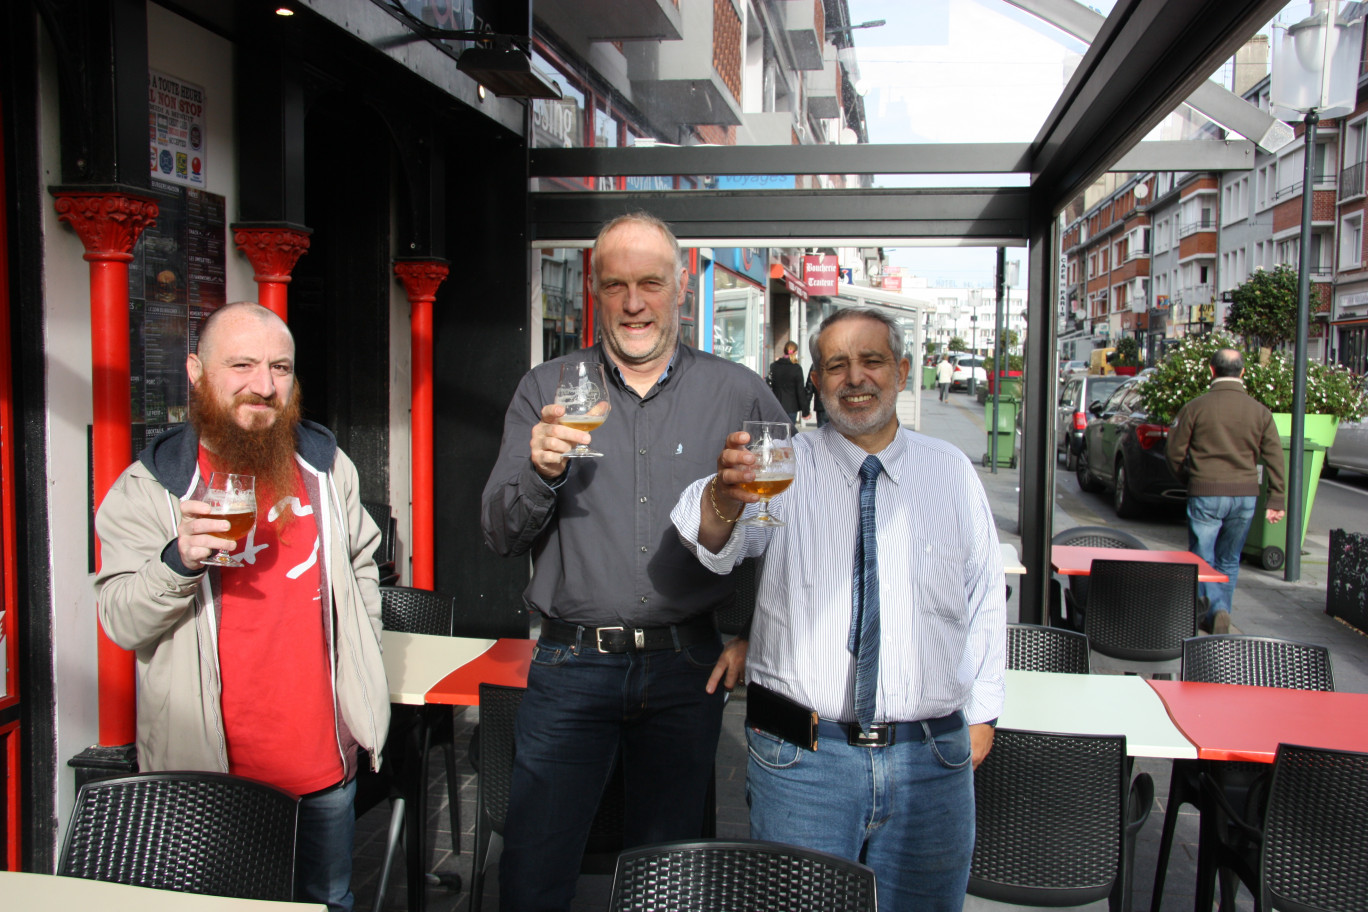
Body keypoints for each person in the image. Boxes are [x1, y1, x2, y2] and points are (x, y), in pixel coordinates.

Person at [481, 211, 789, 912]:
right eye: (615, 284)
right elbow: (500, 533)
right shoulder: (548, 390)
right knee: (533, 869)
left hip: (686, 666)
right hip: (571, 666)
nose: (633, 302)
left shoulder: (736, 391)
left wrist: (751, 631)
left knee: (671, 878)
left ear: (679, 288)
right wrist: (539, 470)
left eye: (650, 282)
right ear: (594, 291)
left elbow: (786, 520)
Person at [672, 307, 1006, 912]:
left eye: (872, 361)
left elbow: (985, 600)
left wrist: (981, 716)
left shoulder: (951, 472)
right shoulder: (783, 464)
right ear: (817, 383)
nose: (856, 378)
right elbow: (712, 545)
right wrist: (724, 494)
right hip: (803, 763)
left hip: (930, 760)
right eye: (837, 366)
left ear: (901, 371)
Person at [94, 302, 389, 912]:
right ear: (196, 372)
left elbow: (363, 564)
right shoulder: (152, 487)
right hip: (206, 769)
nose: (264, 385)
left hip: (322, 760)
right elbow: (121, 620)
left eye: (280, 367)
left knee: (327, 900)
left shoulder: (328, 468)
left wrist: (363, 660)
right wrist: (178, 562)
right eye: (243, 365)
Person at [1166, 347, 1286, 635]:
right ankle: (1221, 613)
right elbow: (1275, 456)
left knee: (1202, 558)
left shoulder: (1195, 408)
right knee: (1229, 559)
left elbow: (1174, 452)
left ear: (1211, 370)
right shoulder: (1261, 412)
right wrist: (1277, 499)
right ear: (1243, 372)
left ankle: (1212, 610)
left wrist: (1188, 478)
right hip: (1244, 495)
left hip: (1205, 491)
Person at [768, 340, 810, 429]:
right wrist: (805, 411)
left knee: (776, 434)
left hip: (776, 405)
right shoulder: (796, 368)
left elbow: (769, 385)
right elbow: (800, 391)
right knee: (790, 434)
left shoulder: (774, 366)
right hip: (791, 406)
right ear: (796, 352)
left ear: (784, 350)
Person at [805, 361, 827, 427]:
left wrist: (806, 409)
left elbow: (809, 388)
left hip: (821, 404)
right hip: (836, 404)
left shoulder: (815, 365)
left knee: (822, 431)